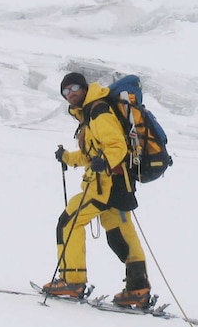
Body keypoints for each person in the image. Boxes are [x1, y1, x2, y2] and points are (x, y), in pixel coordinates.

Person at [42, 72, 152, 308]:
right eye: (65, 92)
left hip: (105, 185)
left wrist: (105, 161)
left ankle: (72, 281)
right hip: (119, 184)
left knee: (69, 222)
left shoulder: (98, 111)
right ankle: (138, 289)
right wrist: (68, 158)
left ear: (83, 88)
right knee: (121, 236)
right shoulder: (91, 113)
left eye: (73, 88)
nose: (70, 94)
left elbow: (117, 146)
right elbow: (92, 154)